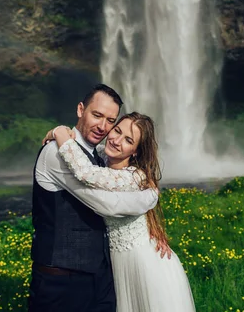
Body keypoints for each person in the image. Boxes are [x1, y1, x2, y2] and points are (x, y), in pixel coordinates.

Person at [29, 84, 164, 312]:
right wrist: (151, 198)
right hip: (61, 282)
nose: (103, 127)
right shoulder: (56, 153)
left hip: (100, 277)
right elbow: (105, 205)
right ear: (81, 110)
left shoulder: (101, 155)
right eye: (97, 115)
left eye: (111, 121)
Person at [45, 112, 196, 312]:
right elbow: (82, 150)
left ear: (135, 151)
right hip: (113, 261)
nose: (116, 140)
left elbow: (85, 173)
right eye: (116, 130)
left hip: (142, 263)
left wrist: (58, 133)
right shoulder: (102, 156)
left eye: (128, 140)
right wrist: (63, 132)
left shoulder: (132, 177)